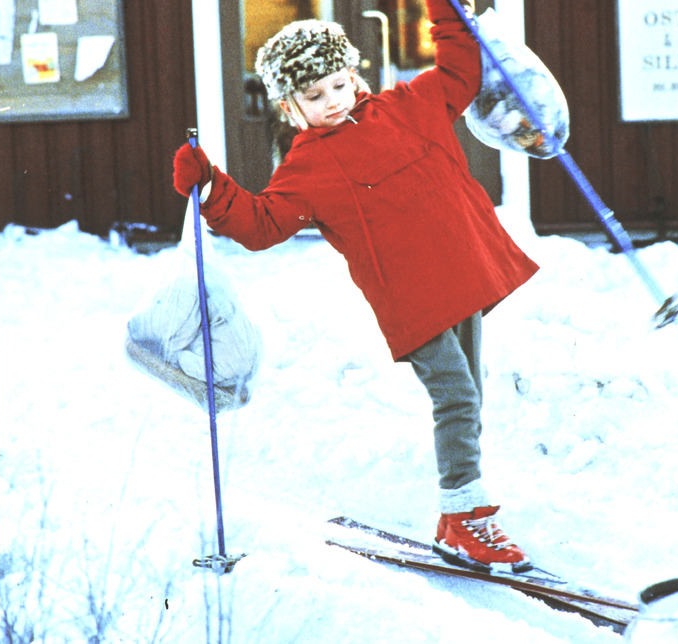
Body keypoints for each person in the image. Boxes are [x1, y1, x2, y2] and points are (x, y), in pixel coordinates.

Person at [172, 0, 539, 573]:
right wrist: (212, 186)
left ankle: (455, 517)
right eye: (314, 96)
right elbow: (262, 225)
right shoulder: (307, 166)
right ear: (290, 106)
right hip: (411, 299)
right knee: (457, 395)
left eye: (339, 84)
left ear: (355, 75)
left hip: (461, 272)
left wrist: (446, 12)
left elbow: (460, 71)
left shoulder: (408, 107)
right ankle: (465, 516)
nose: (332, 100)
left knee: (470, 390)